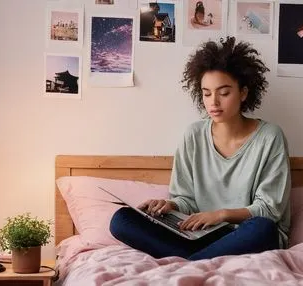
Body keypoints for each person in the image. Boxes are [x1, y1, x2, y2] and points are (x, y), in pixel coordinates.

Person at [110, 36, 291, 260]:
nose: (213, 102)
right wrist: (169, 205)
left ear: (243, 93)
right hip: (198, 235)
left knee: (263, 228)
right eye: (206, 93)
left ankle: (186, 262)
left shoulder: (270, 137)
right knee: (122, 219)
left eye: (224, 93)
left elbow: (270, 210)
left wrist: (220, 215)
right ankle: (199, 260)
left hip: (244, 235)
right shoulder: (193, 135)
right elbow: (186, 200)